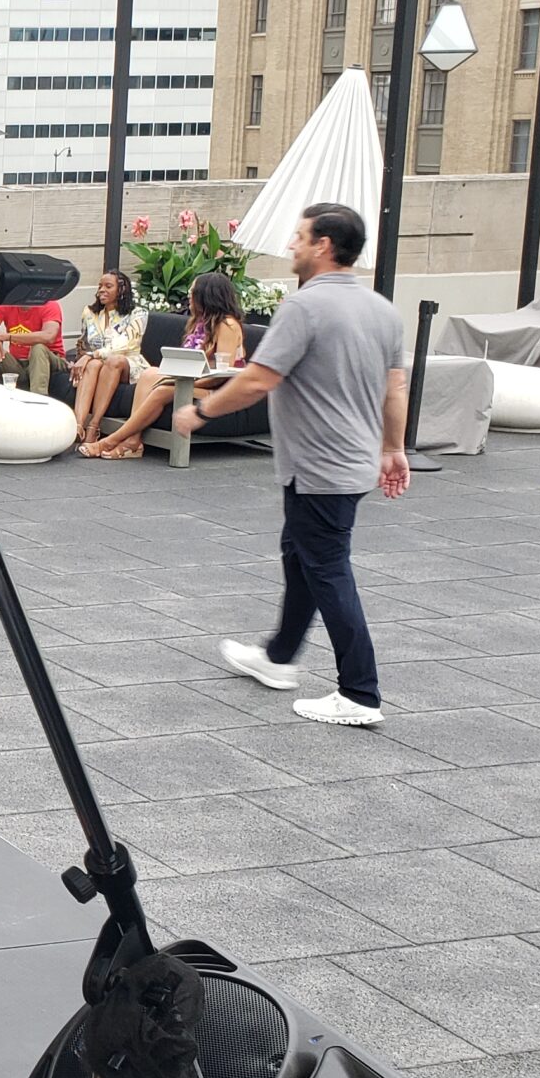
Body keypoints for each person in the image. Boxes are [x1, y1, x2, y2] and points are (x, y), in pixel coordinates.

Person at [176, 203, 407, 727]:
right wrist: (392, 449)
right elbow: (395, 388)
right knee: (302, 555)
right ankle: (279, 658)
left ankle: (360, 692)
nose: (291, 245)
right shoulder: (382, 310)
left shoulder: (304, 307)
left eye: (299, 237)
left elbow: (259, 378)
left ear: (323, 245)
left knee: (326, 568)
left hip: (318, 466)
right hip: (350, 463)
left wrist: (201, 411)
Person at [81, 271, 246, 460]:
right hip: (192, 380)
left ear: (205, 296)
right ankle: (133, 440)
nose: (189, 296)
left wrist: (181, 381)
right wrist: (176, 377)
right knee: (149, 374)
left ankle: (109, 441)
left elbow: (223, 373)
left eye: (192, 292)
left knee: (162, 390)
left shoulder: (227, 325)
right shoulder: (200, 323)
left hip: (219, 389)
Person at [68, 271, 148, 448]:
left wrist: (92, 355)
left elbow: (126, 344)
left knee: (112, 361)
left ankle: (94, 426)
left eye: (108, 286)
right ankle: (78, 426)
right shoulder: (89, 313)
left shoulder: (138, 313)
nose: (101, 290)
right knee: (94, 365)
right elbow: (84, 342)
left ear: (122, 289)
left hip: (128, 363)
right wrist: (82, 357)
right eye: (100, 286)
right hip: (98, 363)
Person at [0, 294, 65, 392]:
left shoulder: (49, 304)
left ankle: (39, 396)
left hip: (48, 360)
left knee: (38, 348)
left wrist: (8, 337)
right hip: (19, 364)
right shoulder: (6, 304)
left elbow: (49, 336)